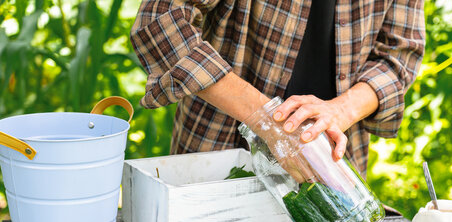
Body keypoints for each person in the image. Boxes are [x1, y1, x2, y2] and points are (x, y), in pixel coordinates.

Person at [130, 0, 425, 177]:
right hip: (217, 155)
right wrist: (268, 120)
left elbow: (399, 57)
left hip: (331, 169)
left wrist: (340, 111)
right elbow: (160, 19)